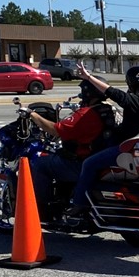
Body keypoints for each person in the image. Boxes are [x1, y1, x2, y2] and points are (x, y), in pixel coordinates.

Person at [68, 59, 139, 216]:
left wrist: (88, 77)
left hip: (130, 148)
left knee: (88, 163)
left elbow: (110, 91)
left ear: (130, 84)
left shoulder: (136, 101)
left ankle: (79, 204)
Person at [27, 78, 117, 218]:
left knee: (40, 163)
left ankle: (43, 209)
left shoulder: (86, 114)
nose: (81, 95)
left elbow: (56, 130)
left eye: (83, 91)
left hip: (81, 163)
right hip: (102, 158)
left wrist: (33, 115)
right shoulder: (107, 109)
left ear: (89, 93)